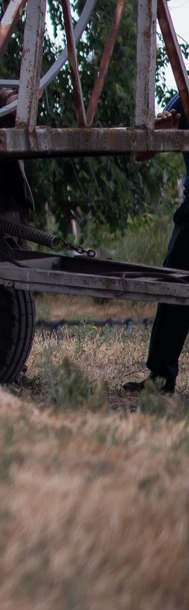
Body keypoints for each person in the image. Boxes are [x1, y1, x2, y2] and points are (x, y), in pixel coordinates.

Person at [127, 94, 186, 396]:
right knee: (174, 288)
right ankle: (161, 378)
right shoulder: (185, 97)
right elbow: (141, 154)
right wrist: (160, 132)